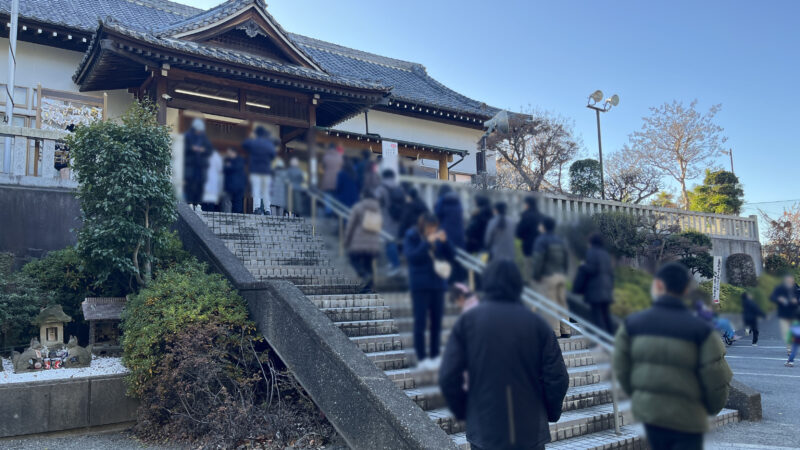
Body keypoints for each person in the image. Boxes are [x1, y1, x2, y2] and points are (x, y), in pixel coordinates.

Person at [439, 260, 569, 450]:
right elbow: (558, 378)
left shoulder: (467, 323)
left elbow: (448, 377)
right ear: (518, 285)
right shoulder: (538, 325)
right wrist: (549, 412)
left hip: (484, 431)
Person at [613, 262, 732, 450]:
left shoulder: (631, 325)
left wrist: (641, 398)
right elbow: (717, 380)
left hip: (651, 416)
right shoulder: (702, 330)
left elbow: (621, 370)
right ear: (687, 289)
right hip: (690, 418)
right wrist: (709, 410)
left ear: (658, 285)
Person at [404, 212, 454, 368]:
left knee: (436, 322)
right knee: (420, 321)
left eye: (435, 227)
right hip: (420, 285)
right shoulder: (412, 235)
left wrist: (445, 243)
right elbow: (412, 257)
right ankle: (422, 358)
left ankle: (435, 355)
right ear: (423, 225)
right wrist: (426, 243)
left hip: (438, 284)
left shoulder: (438, 237)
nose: (433, 230)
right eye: (430, 227)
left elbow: (452, 256)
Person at [531, 216, 570, 338]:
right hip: (561, 276)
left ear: (543, 226)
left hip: (548, 276)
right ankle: (567, 330)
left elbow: (538, 260)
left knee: (551, 303)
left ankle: (555, 331)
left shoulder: (541, 240)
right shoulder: (560, 240)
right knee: (562, 302)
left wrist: (536, 275)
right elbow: (566, 259)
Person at [573, 233, 615, 333]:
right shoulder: (605, 254)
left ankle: (602, 342)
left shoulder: (591, 252)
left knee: (597, 317)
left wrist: (583, 266)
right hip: (607, 289)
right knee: (606, 316)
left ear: (591, 242)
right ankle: (612, 340)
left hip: (596, 290)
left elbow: (592, 269)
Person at [343, 190, 382, 293]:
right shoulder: (377, 208)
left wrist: (346, 241)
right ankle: (368, 288)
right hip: (373, 243)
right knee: (368, 264)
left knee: (352, 258)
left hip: (358, 242)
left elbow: (350, 225)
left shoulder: (358, 207)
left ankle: (364, 275)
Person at [376, 170, 405, 276]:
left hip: (386, 218)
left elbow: (376, 200)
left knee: (389, 242)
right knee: (392, 241)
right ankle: (393, 263)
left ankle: (396, 265)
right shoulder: (399, 188)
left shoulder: (381, 188)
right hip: (397, 218)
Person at [243, 126, 277, 215]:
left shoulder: (253, 142)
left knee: (256, 190)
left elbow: (244, 145)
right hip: (266, 171)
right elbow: (273, 155)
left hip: (255, 170)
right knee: (266, 191)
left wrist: (251, 137)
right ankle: (267, 210)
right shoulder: (268, 144)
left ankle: (257, 208)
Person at [183, 118, 213, 208]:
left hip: (201, 166)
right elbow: (184, 149)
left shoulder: (204, 138)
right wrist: (192, 149)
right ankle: (190, 203)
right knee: (190, 185)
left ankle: (198, 204)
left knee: (200, 186)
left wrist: (203, 150)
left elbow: (209, 150)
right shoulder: (187, 136)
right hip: (190, 166)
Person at [770, 274, 799, 354]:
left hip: (794, 314)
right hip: (783, 314)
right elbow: (772, 297)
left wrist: (796, 301)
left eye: (791, 280)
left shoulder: (796, 288)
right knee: (786, 332)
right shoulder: (779, 288)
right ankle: (789, 350)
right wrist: (779, 299)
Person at [516, 196, 542, 283]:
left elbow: (519, 232)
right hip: (540, 248)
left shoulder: (526, 215)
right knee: (538, 272)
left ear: (527, 204)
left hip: (528, 247)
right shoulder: (540, 215)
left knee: (528, 271)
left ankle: (529, 290)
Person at [223, 148, 247, 214]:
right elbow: (224, 169)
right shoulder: (228, 160)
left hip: (238, 185)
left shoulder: (239, 160)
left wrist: (229, 167)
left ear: (234, 152)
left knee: (238, 201)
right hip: (229, 185)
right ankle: (227, 213)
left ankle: (237, 215)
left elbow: (234, 168)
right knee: (227, 200)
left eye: (229, 152)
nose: (228, 154)